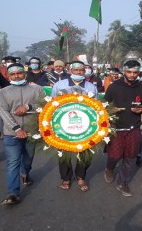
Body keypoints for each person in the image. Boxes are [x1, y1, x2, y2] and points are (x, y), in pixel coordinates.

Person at [0, 63, 44, 205]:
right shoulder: (3, 92)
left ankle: (26, 173)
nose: (16, 76)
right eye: (13, 74)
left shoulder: (37, 89)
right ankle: (13, 193)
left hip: (32, 132)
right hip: (12, 133)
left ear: (24, 73)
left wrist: (29, 106)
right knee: (12, 163)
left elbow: (45, 105)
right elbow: (3, 112)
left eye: (19, 73)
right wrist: (17, 129)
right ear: (9, 76)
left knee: (28, 159)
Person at [104, 60, 142, 197]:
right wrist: (111, 112)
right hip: (116, 128)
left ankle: (122, 183)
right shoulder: (113, 87)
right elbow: (105, 105)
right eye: (129, 72)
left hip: (133, 128)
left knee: (130, 157)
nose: (132, 75)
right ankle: (109, 168)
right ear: (124, 71)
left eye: (135, 72)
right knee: (115, 155)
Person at [51, 61, 98, 192]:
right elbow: (52, 103)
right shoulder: (59, 85)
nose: (78, 72)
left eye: (81, 70)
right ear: (70, 70)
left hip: (85, 125)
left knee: (84, 150)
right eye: (76, 70)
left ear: (85, 71)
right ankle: (66, 178)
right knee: (63, 151)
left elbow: (96, 105)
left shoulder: (91, 87)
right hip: (63, 124)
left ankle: (81, 176)